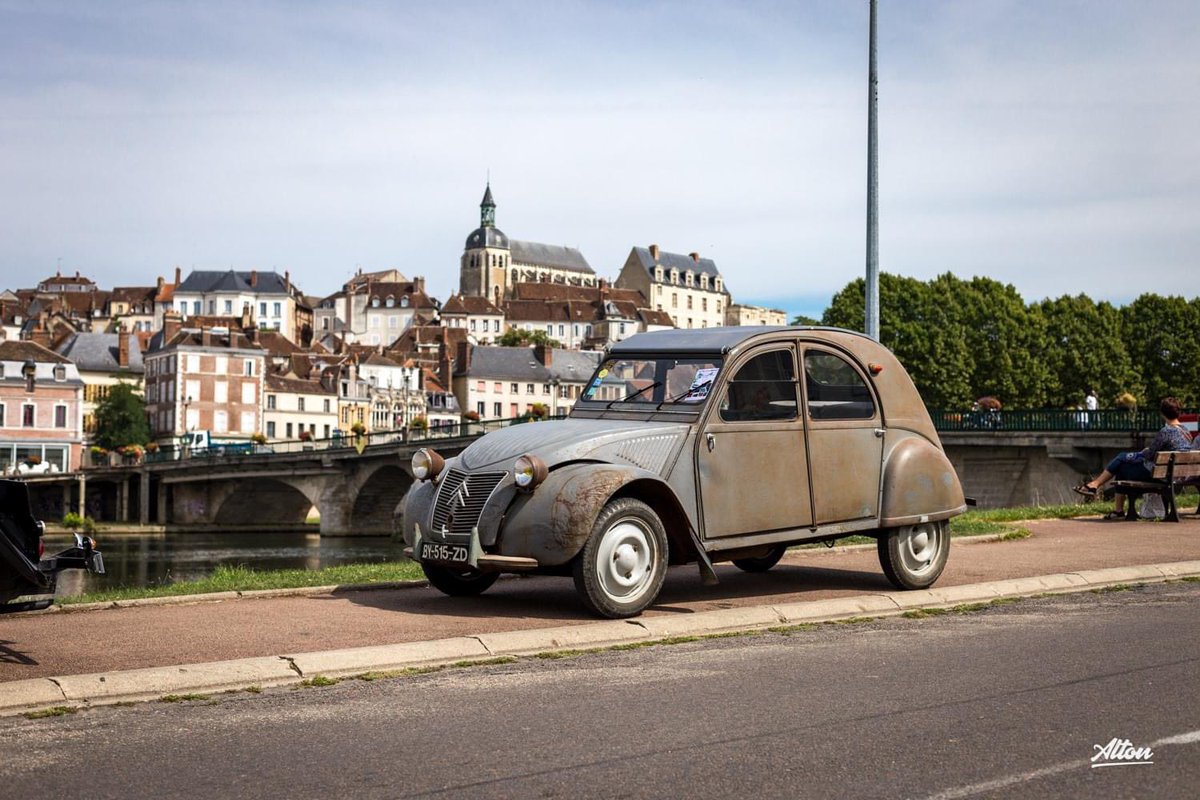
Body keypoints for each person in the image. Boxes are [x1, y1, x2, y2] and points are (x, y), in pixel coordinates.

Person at [1074, 396, 1193, 519]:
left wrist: (1140, 453)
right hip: (1176, 475)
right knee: (1122, 463)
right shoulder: (1186, 431)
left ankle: (1098, 488)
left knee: (1121, 462)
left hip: (1161, 476)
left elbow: (1150, 454)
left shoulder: (1166, 431)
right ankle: (1108, 500)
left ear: (1162, 413)